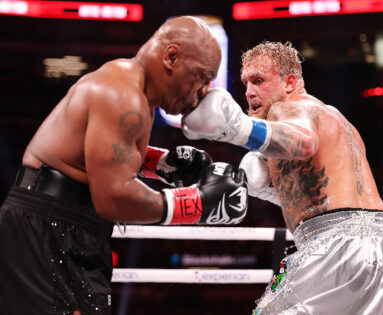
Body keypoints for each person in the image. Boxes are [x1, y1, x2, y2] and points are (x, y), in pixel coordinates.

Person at [0, 16, 249, 315]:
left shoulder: (130, 88)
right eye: (202, 76)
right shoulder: (122, 94)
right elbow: (113, 197)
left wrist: (164, 165)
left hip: (63, 224)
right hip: (51, 226)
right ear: (171, 57)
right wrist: (197, 204)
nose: (204, 91)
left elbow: (102, 153)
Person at [181, 41, 383, 314]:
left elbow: (302, 141)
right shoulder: (338, 121)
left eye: (258, 81)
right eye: (246, 83)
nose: (249, 92)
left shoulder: (290, 108)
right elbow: (317, 194)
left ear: (289, 82)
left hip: (336, 247)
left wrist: (234, 127)